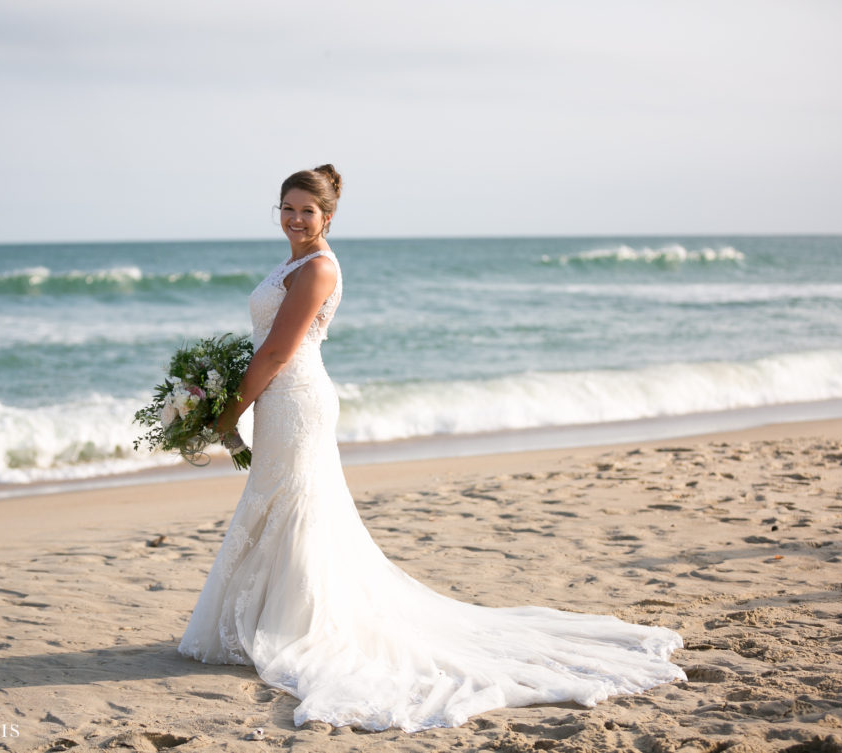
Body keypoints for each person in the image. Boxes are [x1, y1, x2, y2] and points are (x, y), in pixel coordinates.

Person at [177, 165, 686, 732]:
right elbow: (264, 346)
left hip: (295, 398)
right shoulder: (293, 262)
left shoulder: (318, 267)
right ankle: (271, 621)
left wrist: (229, 411)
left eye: (307, 211)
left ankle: (297, 626)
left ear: (328, 216)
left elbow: (276, 352)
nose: (295, 219)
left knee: (297, 507)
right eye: (287, 209)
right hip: (280, 399)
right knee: (279, 502)